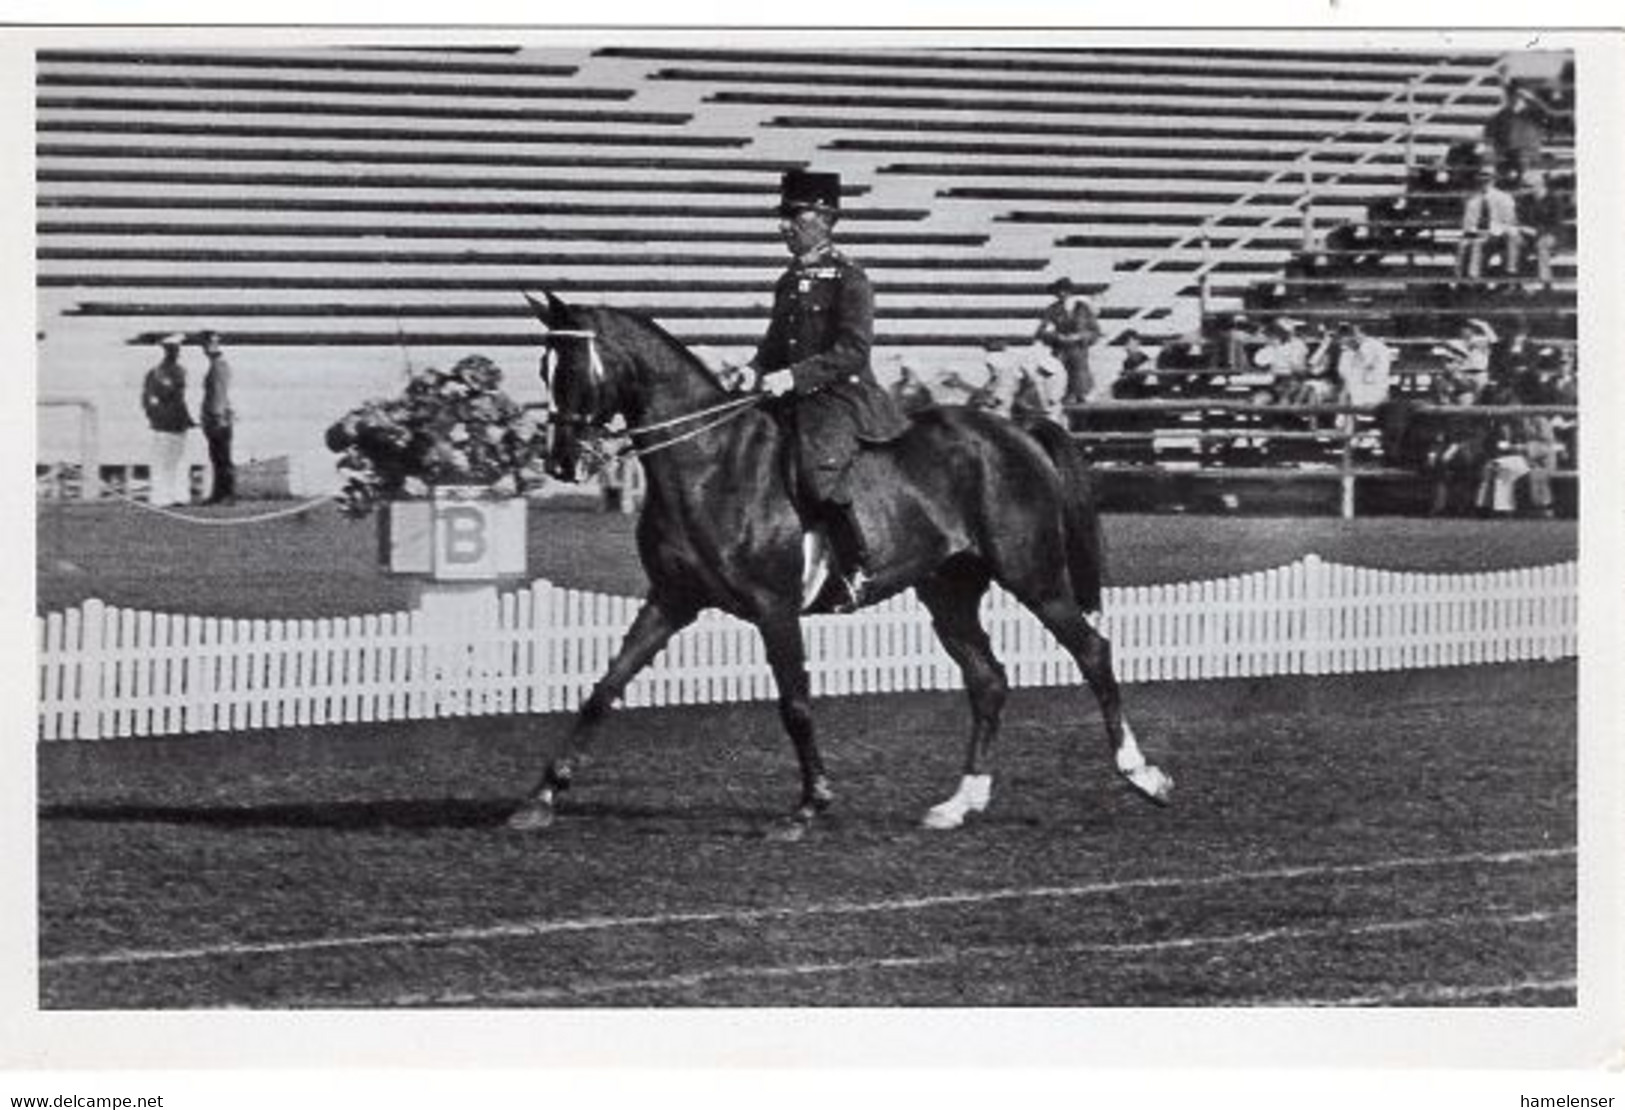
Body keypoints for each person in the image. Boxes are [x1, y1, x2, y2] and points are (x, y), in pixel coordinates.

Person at [740, 168, 910, 611]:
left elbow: (853, 351)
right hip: (793, 396)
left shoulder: (849, 278)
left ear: (822, 218)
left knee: (818, 470)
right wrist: (753, 369)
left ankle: (856, 566)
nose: (783, 226)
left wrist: (793, 377)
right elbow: (775, 346)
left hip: (842, 396)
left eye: (793, 217)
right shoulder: (788, 281)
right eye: (783, 217)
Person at [140, 332, 194, 506]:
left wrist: (153, 416)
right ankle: (177, 495)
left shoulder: (155, 373)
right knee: (175, 461)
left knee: (163, 461)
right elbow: (176, 398)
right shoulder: (178, 372)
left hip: (164, 422)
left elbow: (148, 399)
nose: (176, 352)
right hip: (174, 421)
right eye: (174, 349)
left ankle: (163, 496)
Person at [1034, 276, 1100, 416]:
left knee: (1081, 392)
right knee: (1058, 393)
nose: (1062, 294)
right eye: (1059, 291)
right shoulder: (1052, 310)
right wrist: (1057, 337)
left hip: (1079, 356)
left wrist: (1080, 336)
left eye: (1065, 291)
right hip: (1060, 354)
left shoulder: (1083, 309)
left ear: (1071, 292)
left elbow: (1095, 332)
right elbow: (1040, 332)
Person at [1457, 165, 1520, 280]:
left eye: (1488, 179)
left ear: (1494, 180)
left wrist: (1492, 229)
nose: (1485, 182)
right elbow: (1468, 224)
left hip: (1500, 236)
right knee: (1464, 243)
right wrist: (1472, 232)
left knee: (1478, 242)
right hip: (1479, 233)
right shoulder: (1473, 201)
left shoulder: (1504, 198)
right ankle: (1461, 280)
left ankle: (1474, 277)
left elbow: (1510, 221)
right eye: (1482, 179)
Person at [199, 330, 237, 504]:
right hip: (217, 418)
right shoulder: (216, 365)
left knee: (222, 457)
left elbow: (219, 394)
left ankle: (226, 494)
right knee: (217, 457)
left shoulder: (219, 366)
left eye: (208, 345)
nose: (206, 349)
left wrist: (216, 416)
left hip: (218, 419)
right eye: (206, 345)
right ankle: (221, 493)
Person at [1516, 169, 1565, 285]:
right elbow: (1520, 220)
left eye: (1528, 186)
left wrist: (1537, 231)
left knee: (1542, 244)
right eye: (1524, 186)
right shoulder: (1525, 200)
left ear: (1539, 184)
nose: (1525, 189)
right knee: (1515, 242)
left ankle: (1546, 282)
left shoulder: (1554, 200)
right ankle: (1519, 284)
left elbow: (1556, 224)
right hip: (1529, 234)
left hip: (1552, 235)